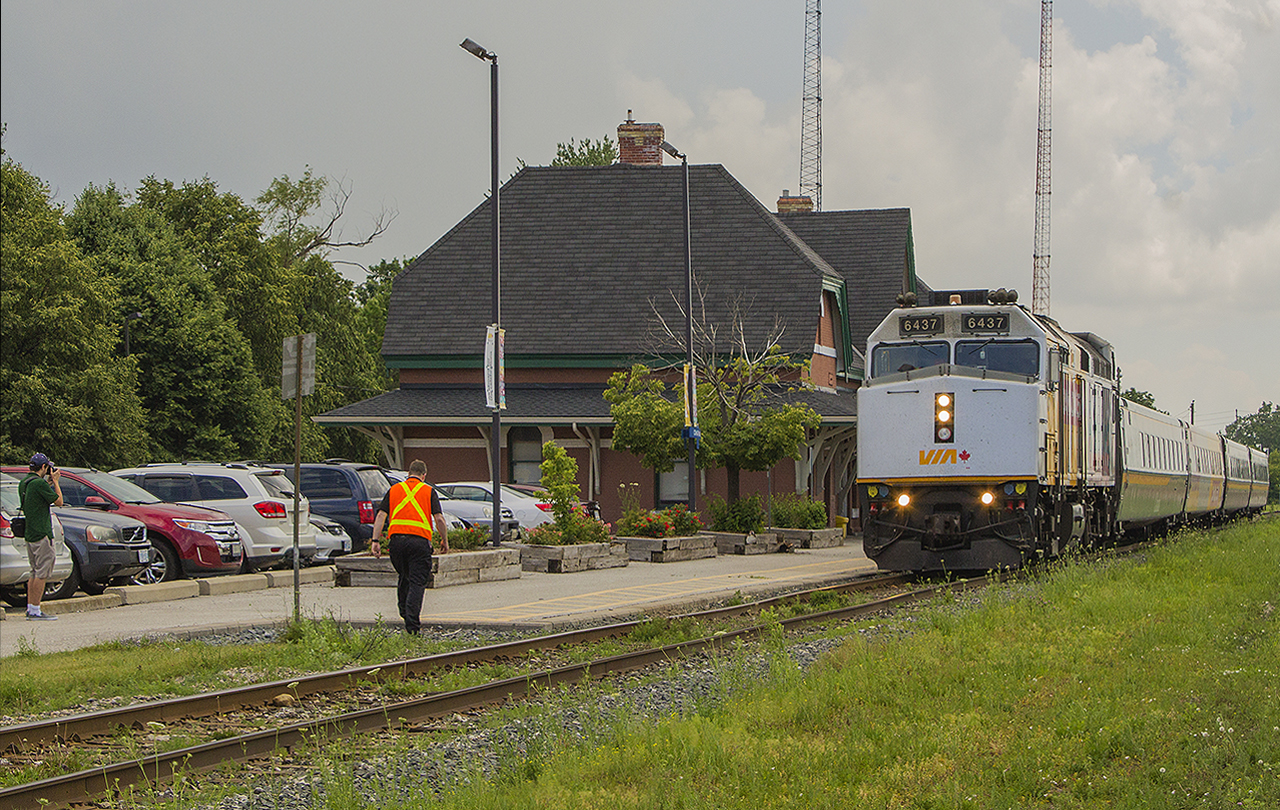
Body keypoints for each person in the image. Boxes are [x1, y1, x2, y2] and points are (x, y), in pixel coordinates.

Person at [369, 459, 449, 634]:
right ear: (424, 475)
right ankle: (412, 628)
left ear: (408, 474)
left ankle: (405, 612)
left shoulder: (394, 490)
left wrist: (375, 541)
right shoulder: (429, 491)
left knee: (404, 576)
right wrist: (444, 540)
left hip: (396, 543)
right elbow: (439, 519)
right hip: (419, 543)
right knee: (417, 582)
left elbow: (381, 515)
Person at [18, 453, 64, 621]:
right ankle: (36, 610)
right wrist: (56, 482)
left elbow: (37, 498)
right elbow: (59, 501)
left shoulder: (25, 482)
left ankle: (31, 607)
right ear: (44, 467)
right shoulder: (38, 484)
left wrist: (48, 484)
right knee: (42, 572)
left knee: (34, 571)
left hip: (30, 532)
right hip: (42, 533)